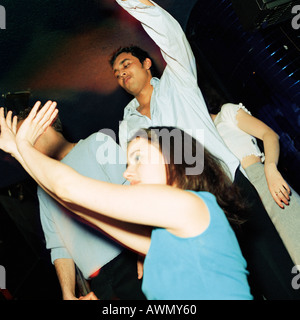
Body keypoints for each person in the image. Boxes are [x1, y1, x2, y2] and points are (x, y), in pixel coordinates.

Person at [109, 0, 300, 299]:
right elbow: (135, 179)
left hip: (225, 185)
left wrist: (139, 5)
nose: (121, 74)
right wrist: (143, 240)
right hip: (182, 206)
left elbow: (173, 38)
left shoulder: (177, 82)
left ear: (147, 64)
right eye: (116, 73)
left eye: (125, 65)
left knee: (272, 268)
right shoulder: (126, 125)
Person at [0, 102, 253, 300]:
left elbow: (68, 189)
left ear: (172, 156)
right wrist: (18, 151)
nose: (126, 172)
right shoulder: (158, 243)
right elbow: (78, 209)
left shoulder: (191, 206)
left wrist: (22, 147)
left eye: (138, 158)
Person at [15, 102, 146, 300]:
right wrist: (68, 293)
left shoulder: (96, 143)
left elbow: (134, 190)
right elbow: (59, 246)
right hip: (101, 285)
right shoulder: (43, 187)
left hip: (132, 261)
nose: (21, 144)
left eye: (24, 134)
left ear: (46, 123)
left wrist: (143, 248)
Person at [202, 86, 300, 267]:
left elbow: (269, 134)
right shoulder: (200, 146)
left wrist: (270, 169)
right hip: (243, 208)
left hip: (267, 186)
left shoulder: (226, 113)